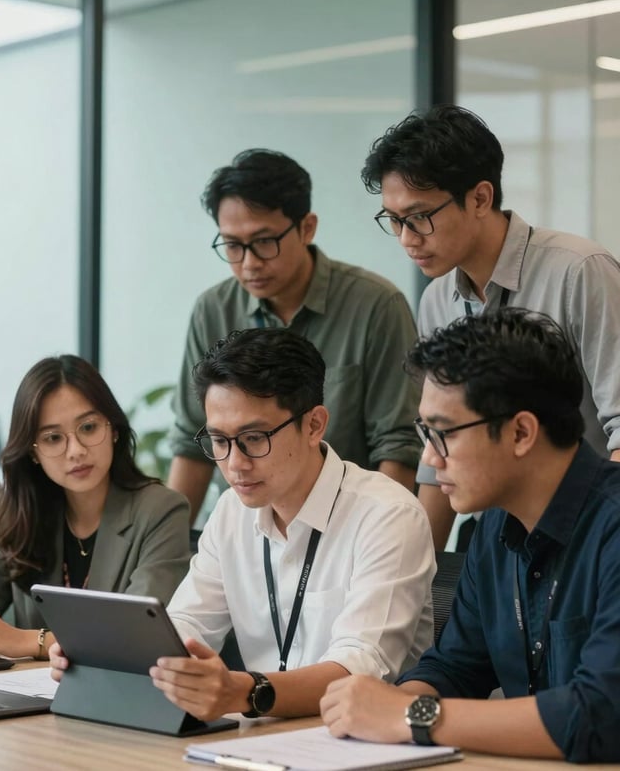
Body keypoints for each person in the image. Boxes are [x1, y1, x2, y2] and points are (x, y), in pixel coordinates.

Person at [52, 329, 435, 720]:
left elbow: (359, 667)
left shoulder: (387, 516)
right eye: (219, 440)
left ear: (314, 425)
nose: (234, 464)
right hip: (261, 736)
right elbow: (186, 625)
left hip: (364, 743)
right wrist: (105, 653)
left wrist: (245, 691)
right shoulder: (232, 511)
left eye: (254, 438)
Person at [320, 308, 620, 763]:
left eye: (442, 434)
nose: (429, 457)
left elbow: (598, 715)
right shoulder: (495, 524)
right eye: (424, 432)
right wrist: (382, 707)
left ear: (521, 432)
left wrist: (412, 717)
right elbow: (456, 667)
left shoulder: (613, 526)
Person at [361, 104, 620, 549]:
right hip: (499, 541)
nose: (406, 238)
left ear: (480, 198)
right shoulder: (439, 299)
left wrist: (602, 548)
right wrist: (416, 575)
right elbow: (437, 453)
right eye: (395, 220)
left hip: (590, 533)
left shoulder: (580, 271)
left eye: (420, 216)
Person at [168, 149, 422, 521]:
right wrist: (171, 550)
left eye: (265, 241)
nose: (250, 263)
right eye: (233, 246)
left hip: (346, 526)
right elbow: (192, 440)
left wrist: (377, 535)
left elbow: (398, 448)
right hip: (245, 529)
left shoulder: (376, 306)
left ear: (307, 227)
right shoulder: (213, 309)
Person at [0, 355, 190, 660]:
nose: (76, 451)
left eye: (89, 427)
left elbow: (137, 633)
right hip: (30, 696)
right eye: (53, 438)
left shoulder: (161, 511)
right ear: (33, 453)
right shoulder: (27, 514)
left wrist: (31, 642)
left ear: (114, 430)